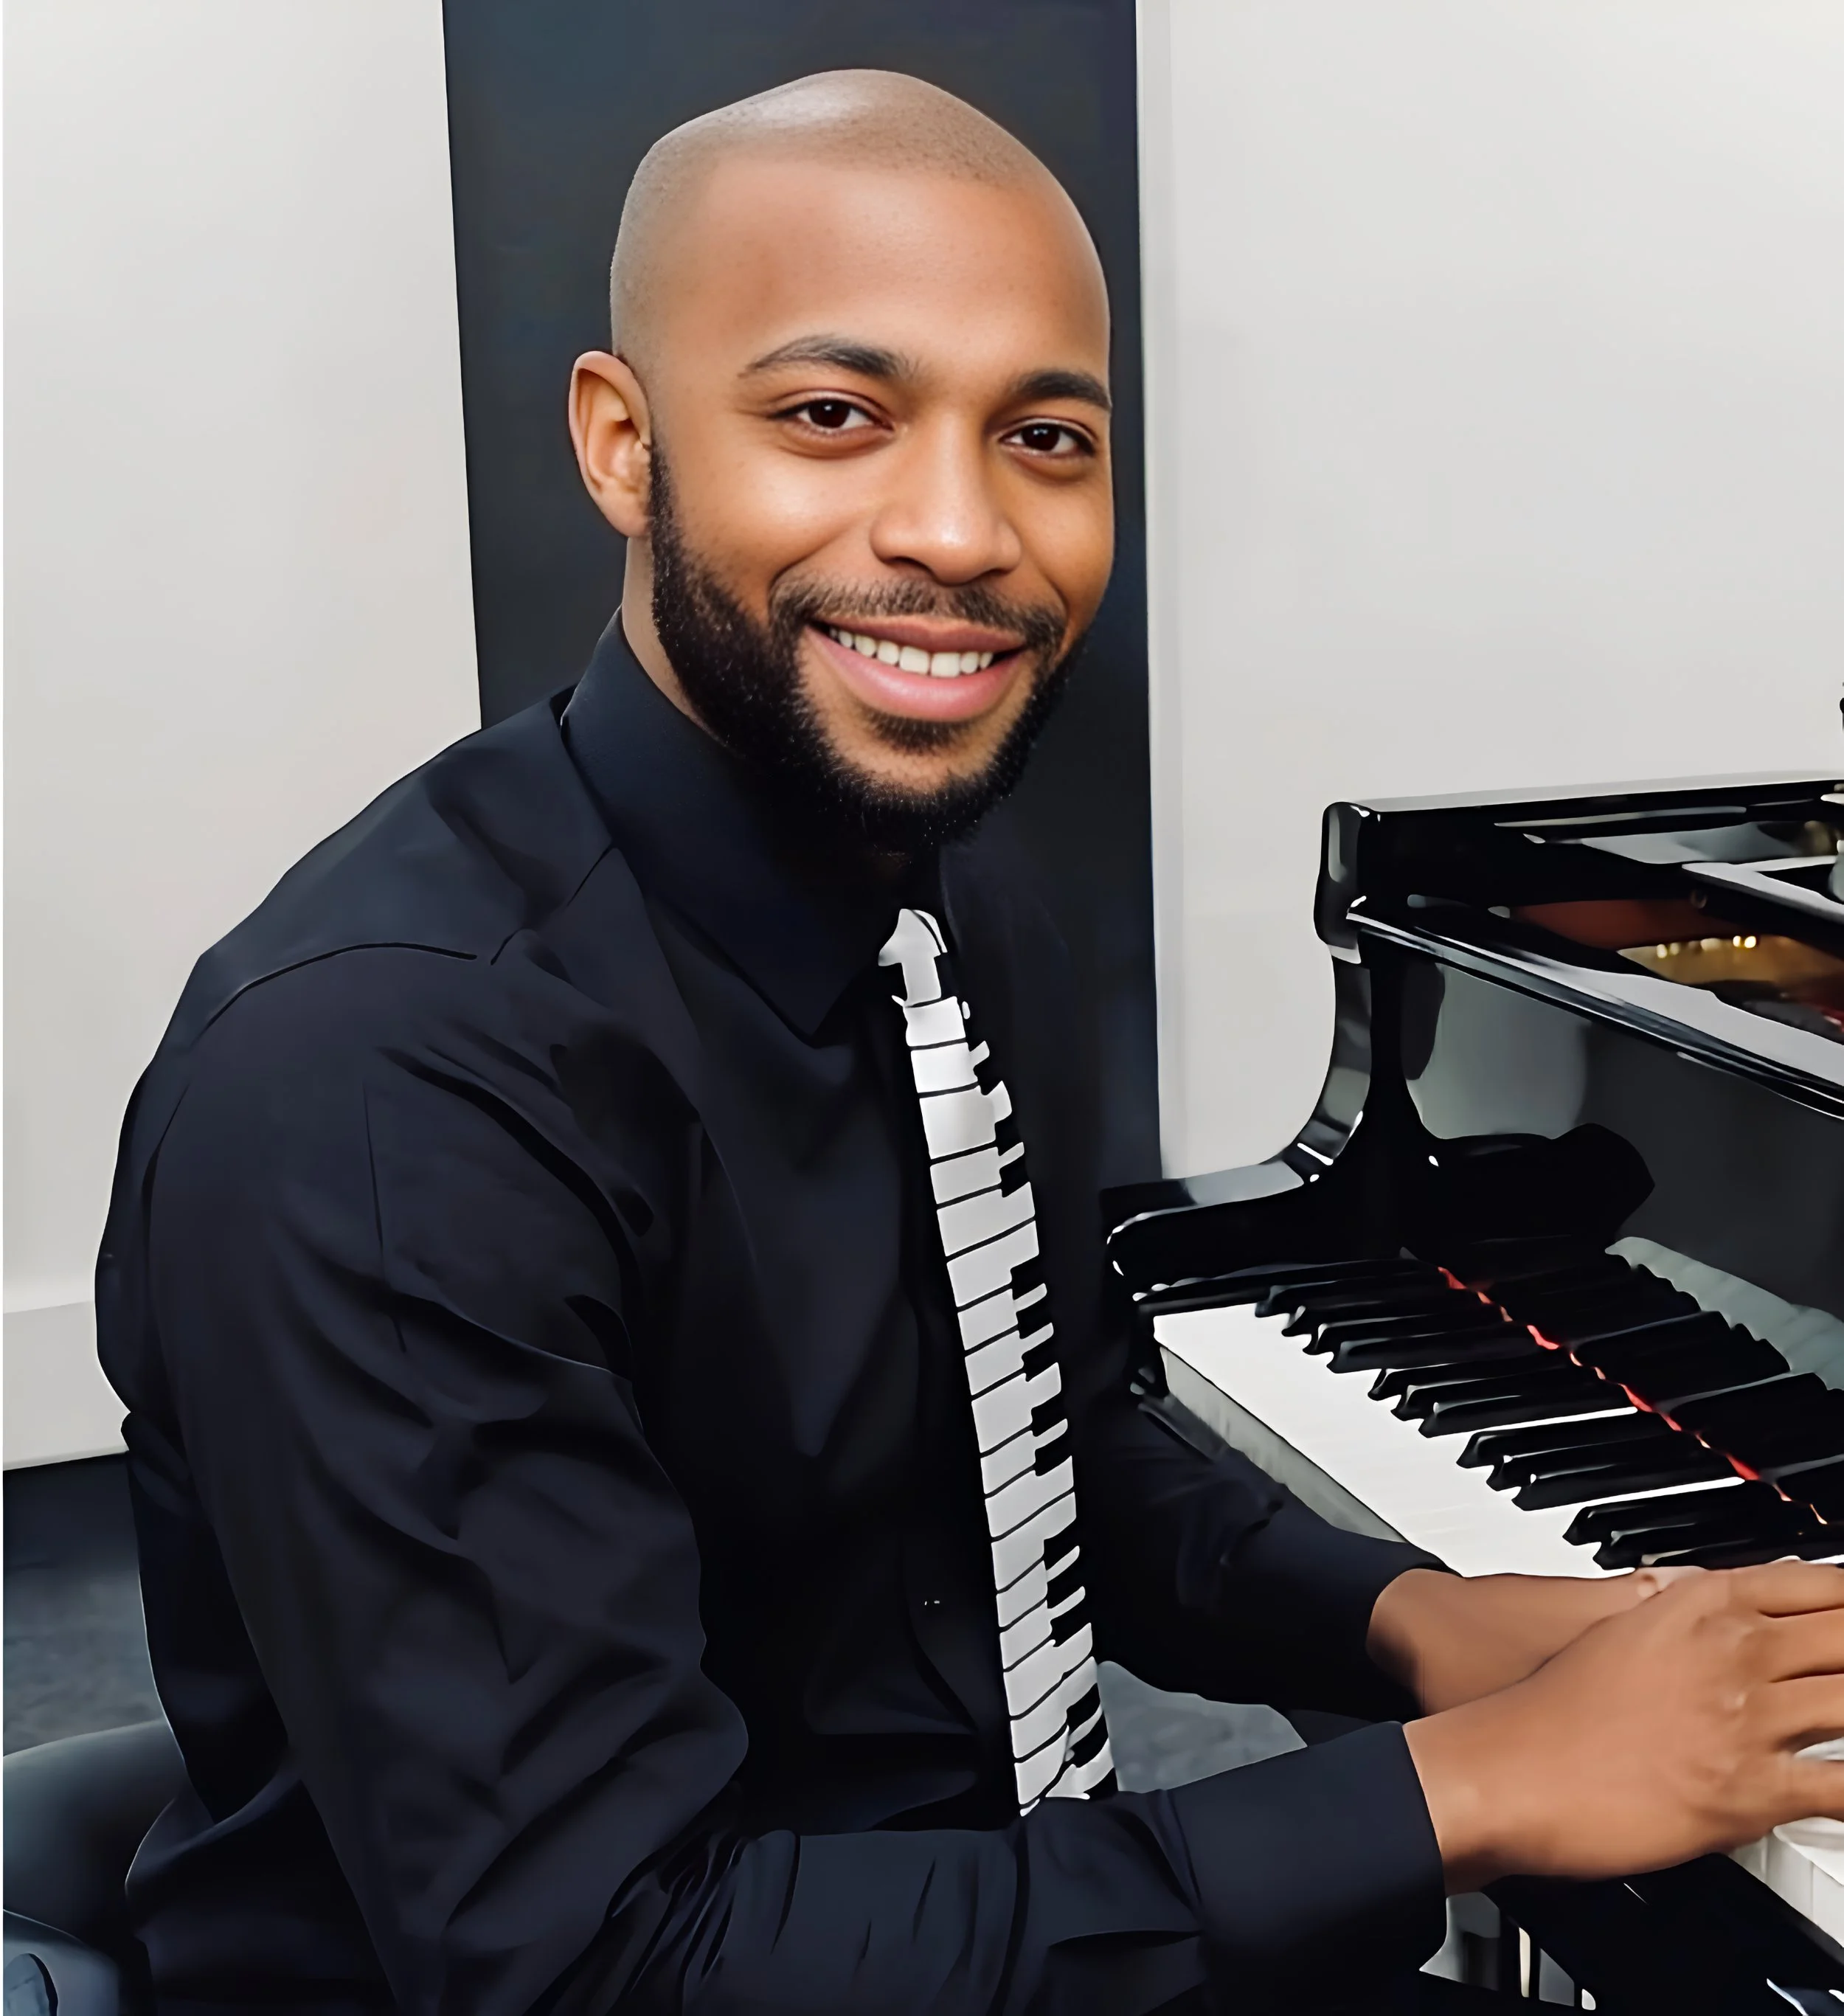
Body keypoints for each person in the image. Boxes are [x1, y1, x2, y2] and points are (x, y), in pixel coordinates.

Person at [98, 69, 1844, 2016]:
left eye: (1044, 435)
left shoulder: (948, 904)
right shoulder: (380, 1086)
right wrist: (1470, 1786)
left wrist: (1411, 1614)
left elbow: (1030, 1434)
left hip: (980, 1916)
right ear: (622, 440)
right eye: (832, 414)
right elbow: (598, 1963)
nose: (956, 527)